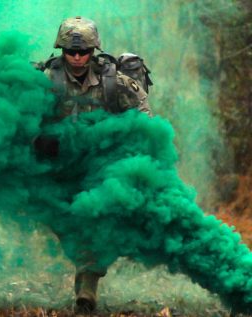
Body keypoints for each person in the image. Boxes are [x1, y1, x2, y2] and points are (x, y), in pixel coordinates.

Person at [35, 16, 152, 313]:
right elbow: (16, 116)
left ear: (94, 50)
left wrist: (125, 149)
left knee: (96, 220)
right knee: (66, 222)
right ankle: (85, 274)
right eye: (70, 51)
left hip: (100, 167)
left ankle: (86, 290)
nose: (76, 57)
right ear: (61, 49)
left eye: (83, 51)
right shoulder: (44, 80)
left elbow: (146, 122)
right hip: (59, 170)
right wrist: (39, 137)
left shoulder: (114, 82)